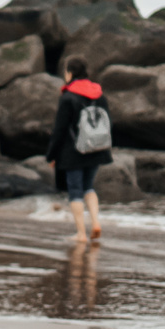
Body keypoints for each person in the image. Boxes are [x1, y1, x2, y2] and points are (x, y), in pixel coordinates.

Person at [45, 57, 112, 244]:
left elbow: (60, 129)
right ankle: (96, 222)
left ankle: (81, 234)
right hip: (97, 147)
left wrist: (52, 155)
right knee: (89, 187)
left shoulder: (68, 97)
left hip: (73, 150)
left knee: (75, 191)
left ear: (69, 73)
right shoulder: (98, 93)